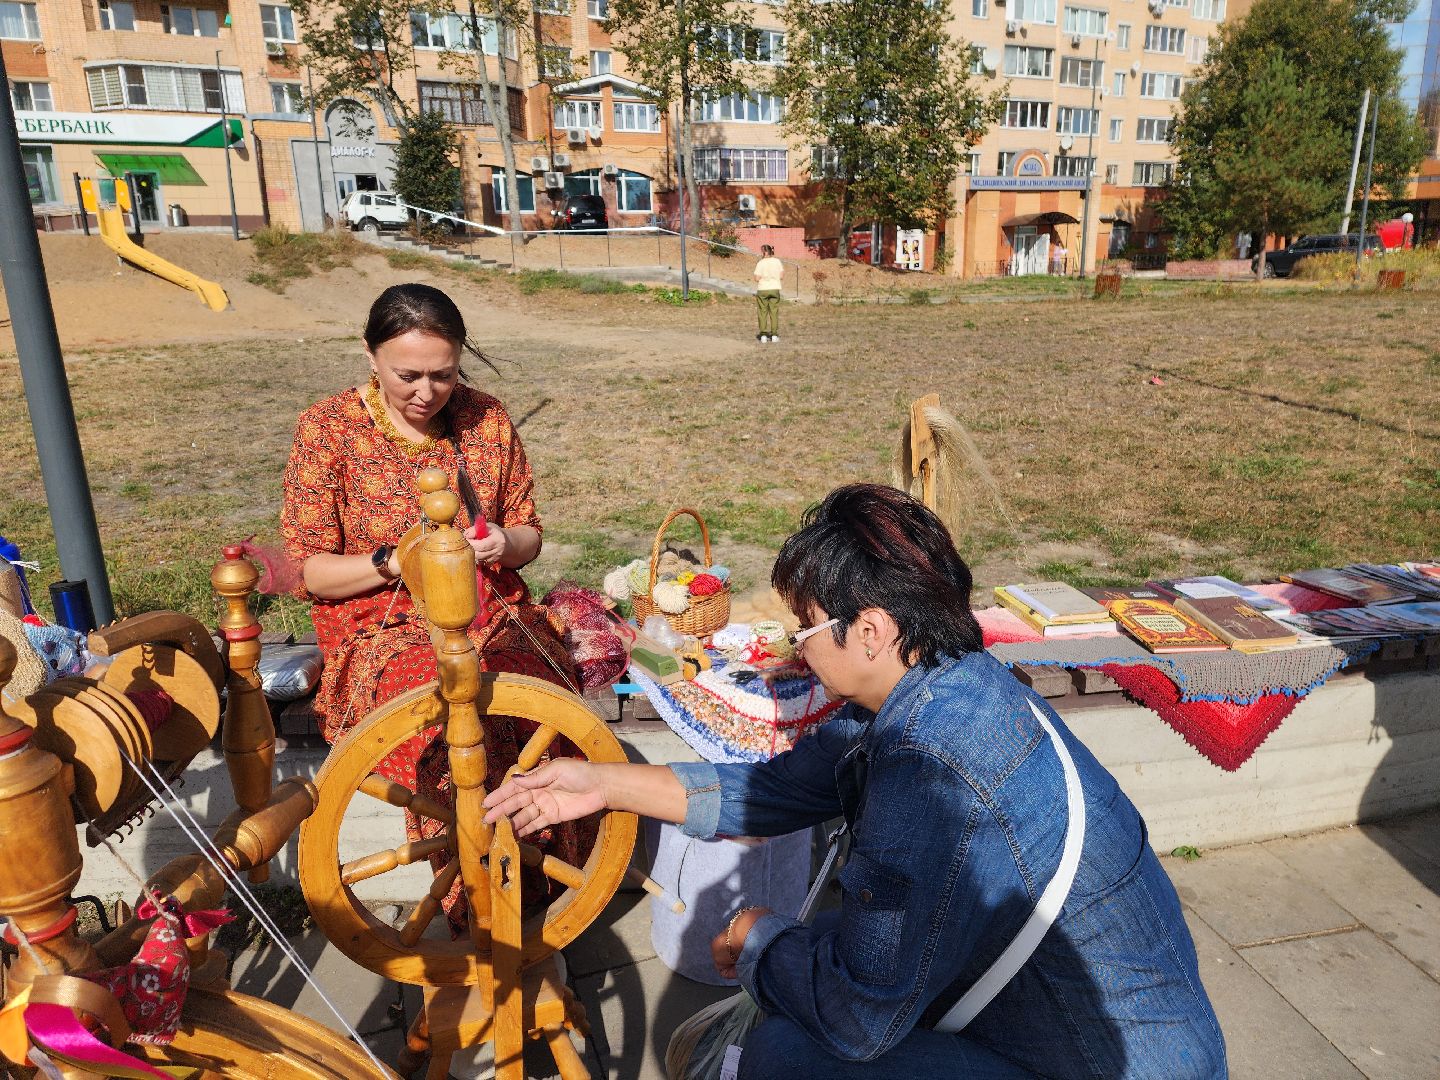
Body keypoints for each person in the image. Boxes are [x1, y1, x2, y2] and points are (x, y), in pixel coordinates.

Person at [485, 484, 1228, 1078]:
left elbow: (859, 1019)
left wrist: (758, 941)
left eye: (803, 627)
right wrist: (604, 784)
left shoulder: (927, 773)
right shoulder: (945, 685)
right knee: (826, 950)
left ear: (869, 630)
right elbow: (776, 792)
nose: (796, 649)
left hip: (1101, 1061)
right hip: (1114, 1029)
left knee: (782, 1055)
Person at [281, 282, 594, 926]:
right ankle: (474, 906)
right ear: (371, 357)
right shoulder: (329, 430)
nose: (426, 393)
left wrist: (504, 542)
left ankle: (540, 899)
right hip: (381, 629)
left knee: (540, 714)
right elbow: (309, 570)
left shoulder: (487, 419)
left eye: (443, 376)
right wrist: (396, 561)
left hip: (494, 615)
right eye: (407, 375)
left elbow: (530, 534)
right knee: (447, 730)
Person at [753, 243, 784, 344]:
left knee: (762, 312)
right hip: (775, 288)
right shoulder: (777, 261)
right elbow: (781, 276)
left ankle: (763, 336)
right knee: (774, 312)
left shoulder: (760, 263)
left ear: (764, 252)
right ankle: (774, 335)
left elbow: (756, 279)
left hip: (763, 289)